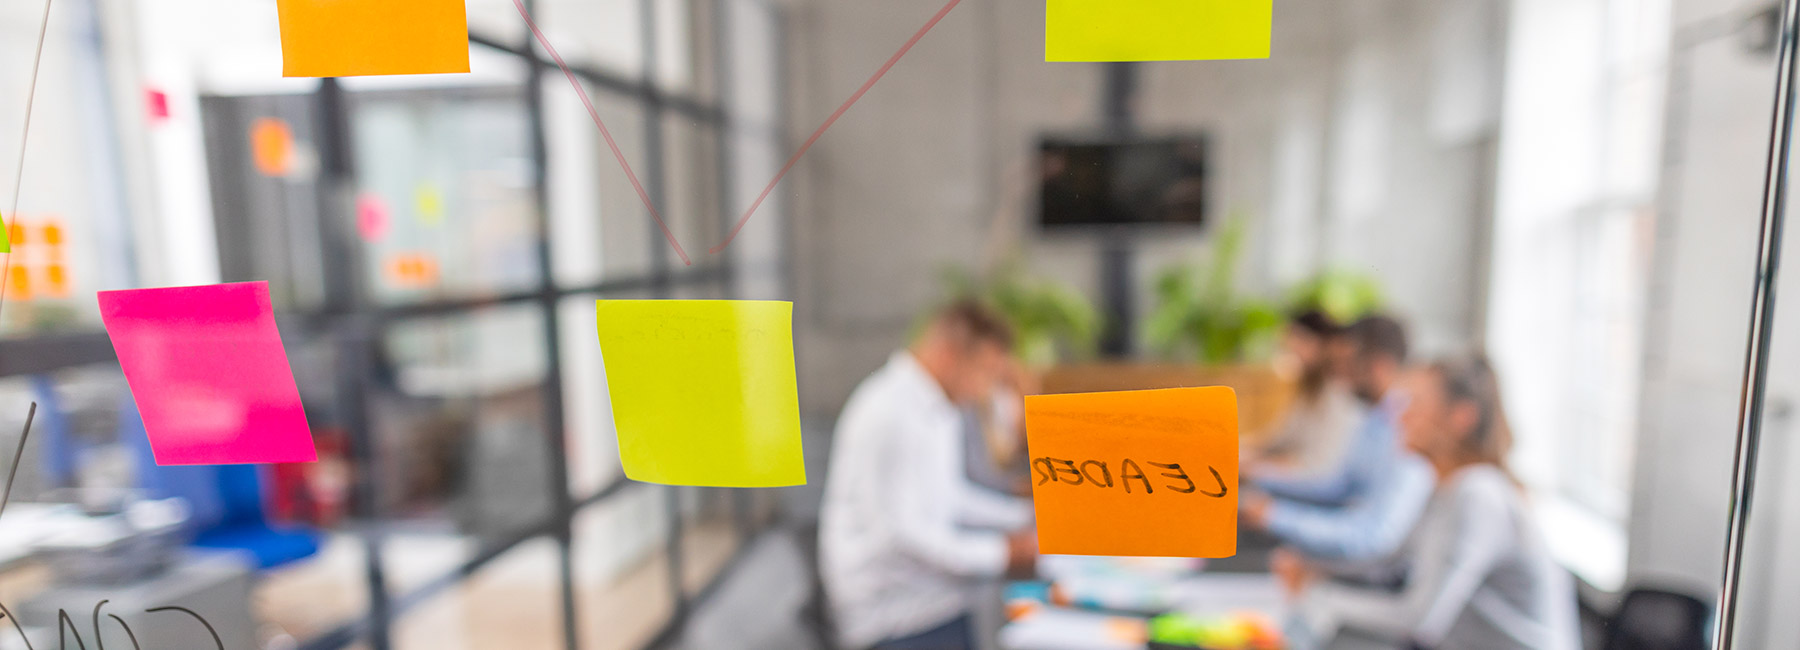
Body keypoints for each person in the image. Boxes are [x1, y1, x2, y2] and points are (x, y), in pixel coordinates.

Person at [1278, 355, 1581, 650]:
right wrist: (1315, 568)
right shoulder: (1442, 487)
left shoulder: (1478, 494)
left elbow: (1419, 619)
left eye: (1415, 403)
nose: (1400, 416)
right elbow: (1390, 560)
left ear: (1461, 417)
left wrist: (1319, 597)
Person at [819, 300, 1037, 650]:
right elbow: (901, 536)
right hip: (894, 619)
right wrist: (1001, 554)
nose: (984, 391)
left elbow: (952, 496)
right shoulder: (889, 410)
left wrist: (1025, 517)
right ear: (949, 354)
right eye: (983, 372)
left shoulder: (938, 407)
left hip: (935, 602)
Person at [1241, 315, 1435, 563]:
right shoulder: (1374, 418)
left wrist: (1276, 516)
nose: (1340, 376)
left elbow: (1372, 537)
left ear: (1379, 366)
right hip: (1349, 548)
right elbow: (1338, 487)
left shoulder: (1410, 430)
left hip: (1373, 568)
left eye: (1349, 364)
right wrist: (1260, 479)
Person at [1247, 310, 1362, 477]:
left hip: (1307, 483)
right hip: (1283, 473)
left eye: (1300, 341)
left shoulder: (1339, 394)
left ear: (1324, 345)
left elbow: (1317, 464)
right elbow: (1281, 438)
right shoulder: (1307, 386)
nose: (1291, 349)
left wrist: (1258, 466)